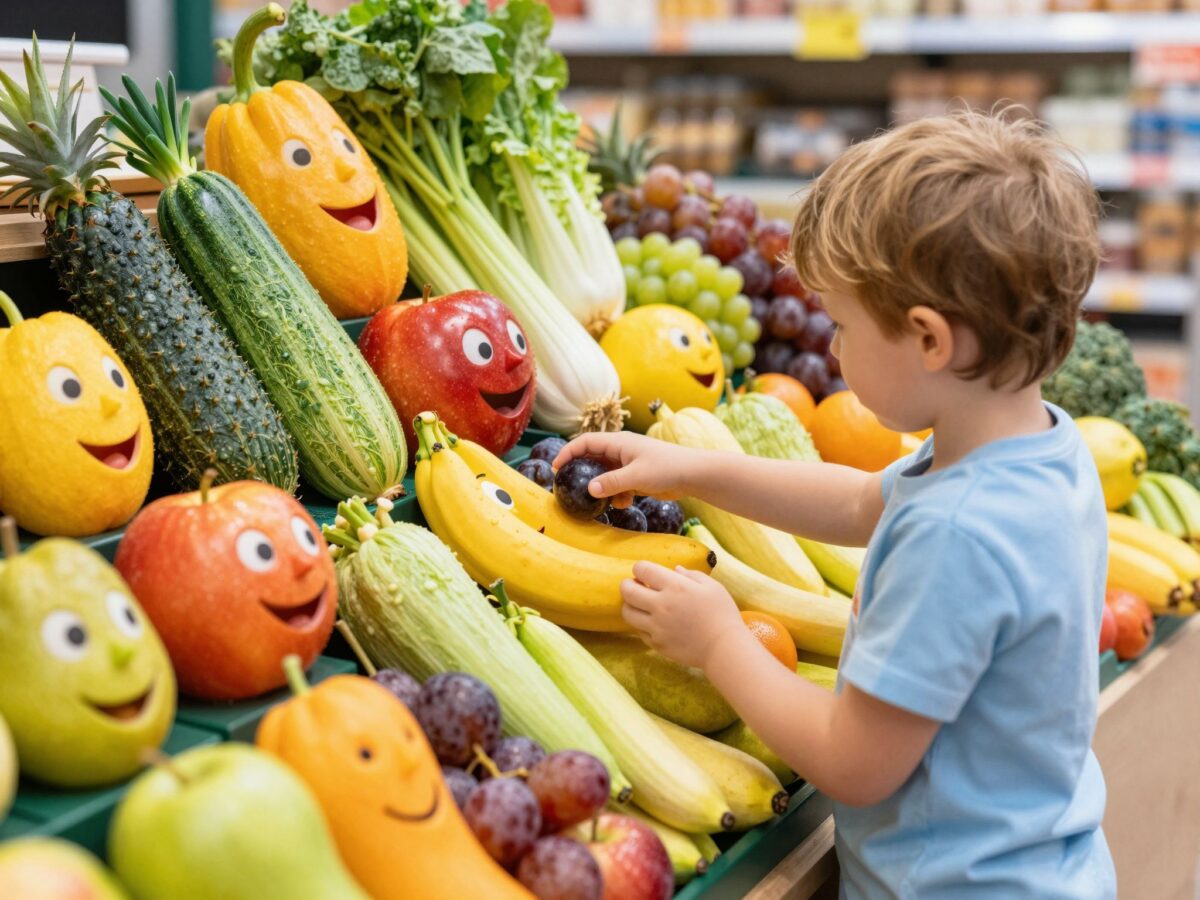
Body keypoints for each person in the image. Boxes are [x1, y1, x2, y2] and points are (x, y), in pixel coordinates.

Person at [555, 111, 1117, 898]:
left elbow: (853, 765)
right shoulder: (1033, 451)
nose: (831, 350)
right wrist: (695, 470)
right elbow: (860, 502)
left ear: (929, 340)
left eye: (844, 325)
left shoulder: (957, 536)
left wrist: (720, 641)